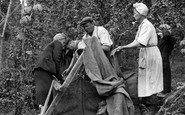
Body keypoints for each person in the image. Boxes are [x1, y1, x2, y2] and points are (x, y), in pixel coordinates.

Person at [112, 2, 163, 114]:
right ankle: (146, 104)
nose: (133, 15)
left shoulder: (147, 25)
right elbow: (137, 41)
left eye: (135, 13)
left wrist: (124, 47)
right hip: (146, 53)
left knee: (150, 80)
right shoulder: (142, 25)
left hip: (150, 54)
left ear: (141, 13)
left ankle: (152, 107)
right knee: (145, 79)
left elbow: (140, 43)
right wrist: (122, 47)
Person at [32, 33, 74, 108]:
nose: (64, 45)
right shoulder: (58, 43)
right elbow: (56, 59)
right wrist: (59, 76)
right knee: (44, 98)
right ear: (61, 40)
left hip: (42, 71)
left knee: (46, 96)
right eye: (64, 42)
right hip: (44, 70)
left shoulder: (52, 46)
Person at [157, 24, 176, 96]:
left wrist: (164, 29)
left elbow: (167, 36)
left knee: (165, 78)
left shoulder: (171, 39)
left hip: (164, 60)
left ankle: (164, 93)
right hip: (158, 60)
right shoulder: (161, 39)